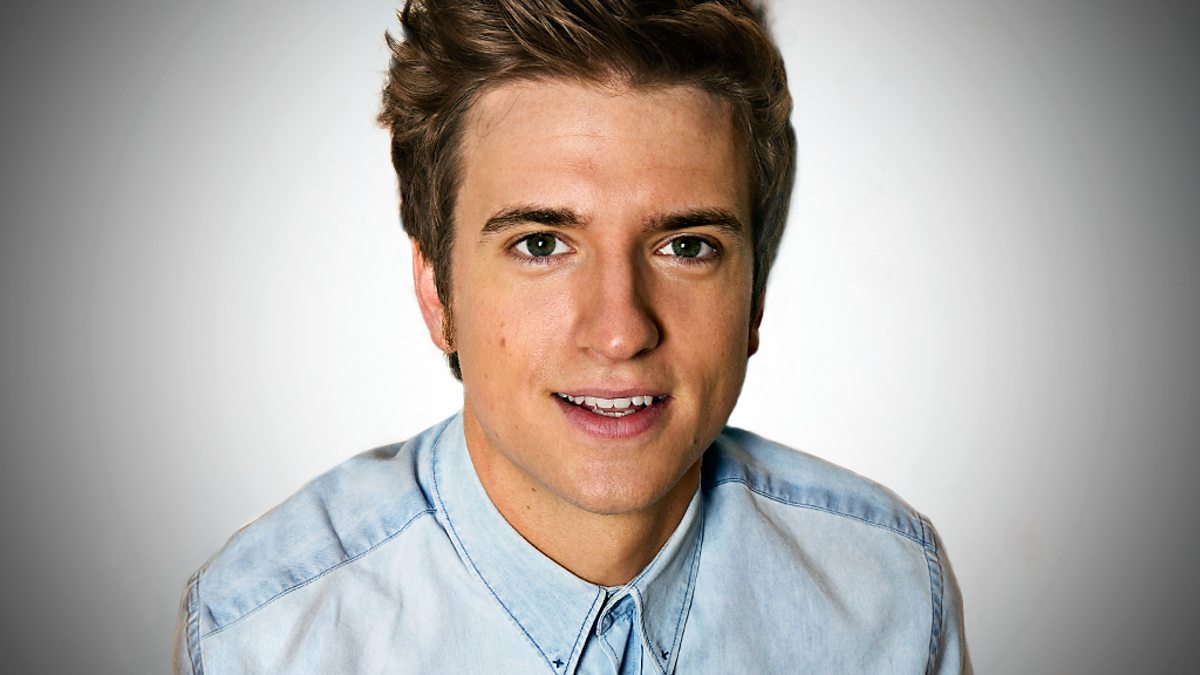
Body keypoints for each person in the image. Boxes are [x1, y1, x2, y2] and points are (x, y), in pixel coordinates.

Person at [173, 1, 970, 672]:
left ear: (755, 292)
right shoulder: (263, 638)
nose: (621, 332)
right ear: (437, 290)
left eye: (686, 245)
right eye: (542, 244)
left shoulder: (891, 599)